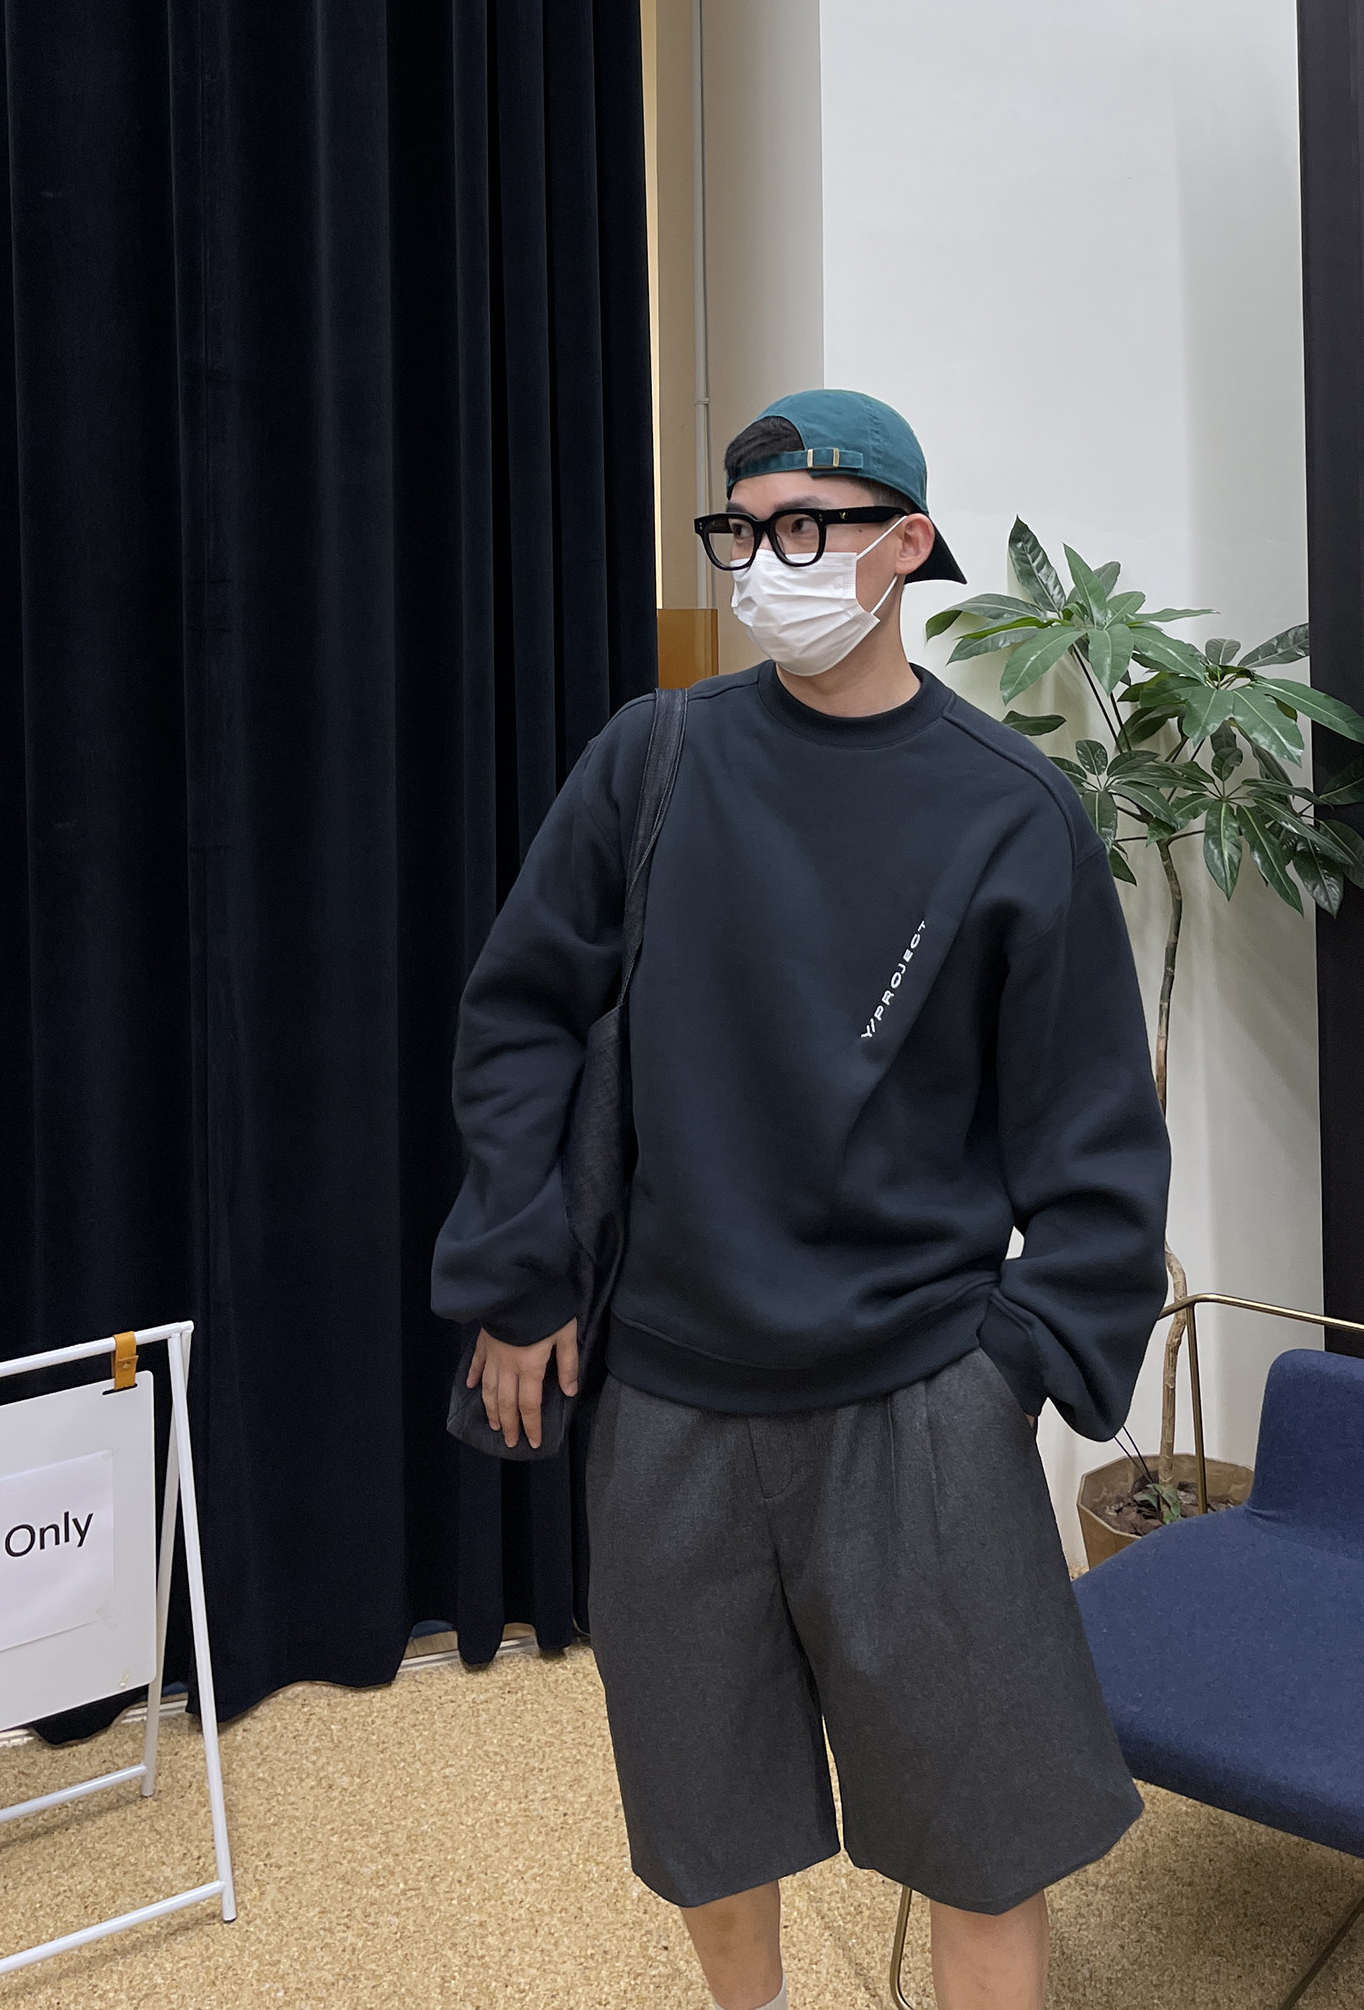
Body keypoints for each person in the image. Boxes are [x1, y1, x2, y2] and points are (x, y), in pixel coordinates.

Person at [432, 387, 1170, 2010]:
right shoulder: (655, 761)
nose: (769, 562)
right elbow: (521, 1016)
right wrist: (519, 1272)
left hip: (920, 1402)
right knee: (706, 1817)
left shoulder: (1010, 811)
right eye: (744, 530)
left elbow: (1098, 1144)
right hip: (672, 1393)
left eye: (809, 528)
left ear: (907, 546)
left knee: (990, 1835)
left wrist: (1008, 1373)